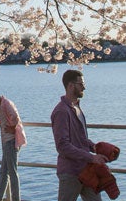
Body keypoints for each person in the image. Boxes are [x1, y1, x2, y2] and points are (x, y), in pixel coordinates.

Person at [51, 69, 109, 201]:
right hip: (71, 172)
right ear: (71, 85)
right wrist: (91, 158)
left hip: (86, 170)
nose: (84, 87)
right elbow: (62, 146)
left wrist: (95, 147)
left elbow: (80, 139)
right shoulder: (61, 112)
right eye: (81, 84)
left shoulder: (76, 108)